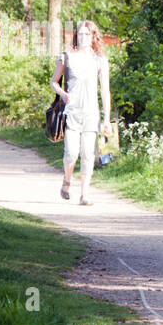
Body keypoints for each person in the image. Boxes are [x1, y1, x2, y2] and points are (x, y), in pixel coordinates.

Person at [51, 20, 112, 205]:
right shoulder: (67, 57)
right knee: (71, 153)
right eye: (80, 33)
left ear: (94, 36)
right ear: (76, 35)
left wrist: (107, 119)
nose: (83, 37)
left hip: (91, 114)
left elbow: (105, 91)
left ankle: (85, 194)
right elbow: (54, 81)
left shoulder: (100, 60)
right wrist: (63, 94)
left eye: (87, 34)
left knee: (88, 154)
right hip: (71, 113)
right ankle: (67, 180)